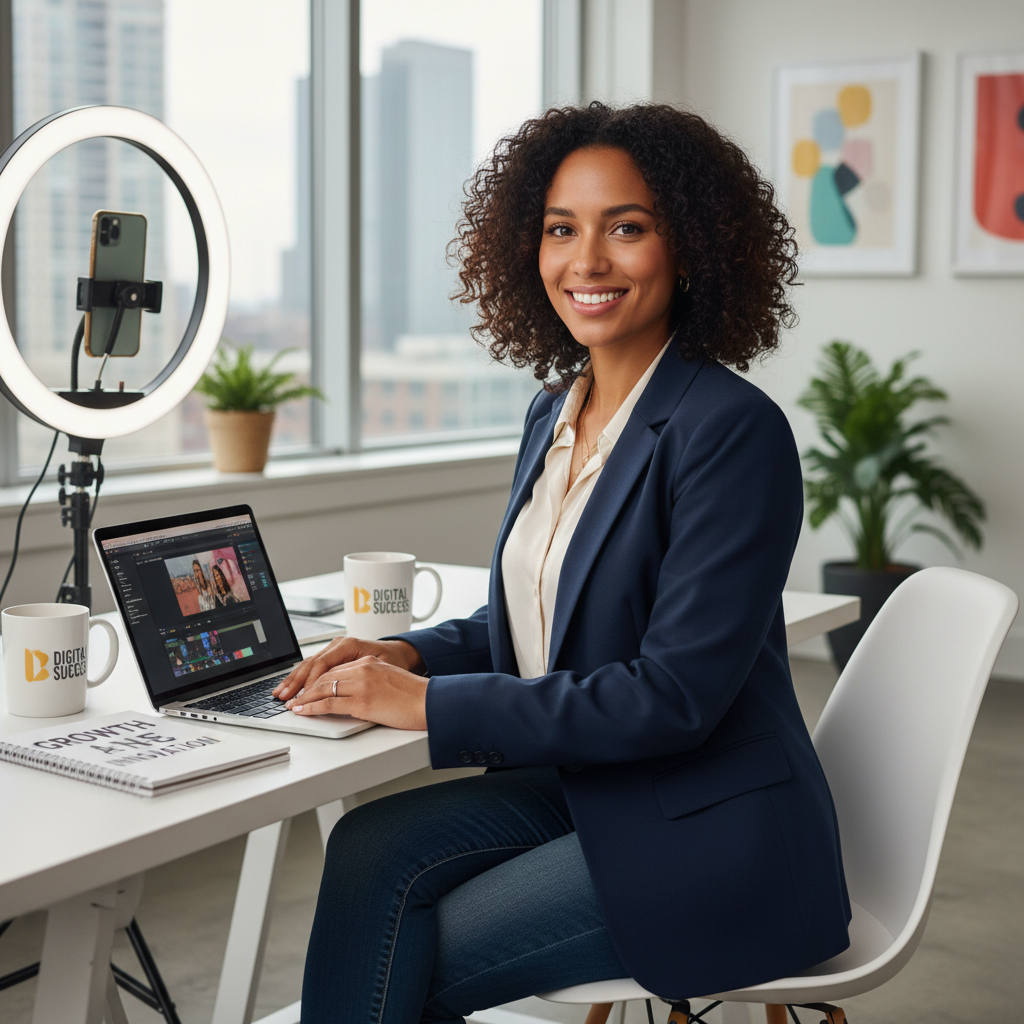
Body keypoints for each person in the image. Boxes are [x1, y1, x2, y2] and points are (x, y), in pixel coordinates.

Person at [273, 102, 851, 1023]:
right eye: (560, 229)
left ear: (692, 247)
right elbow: (542, 617)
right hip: (595, 787)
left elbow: (673, 695)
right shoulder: (554, 413)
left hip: (704, 825)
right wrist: (412, 656)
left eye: (627, 228)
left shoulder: (732, 432)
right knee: (368, 850)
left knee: (398, 954)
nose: (586, 262)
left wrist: (428, 709)